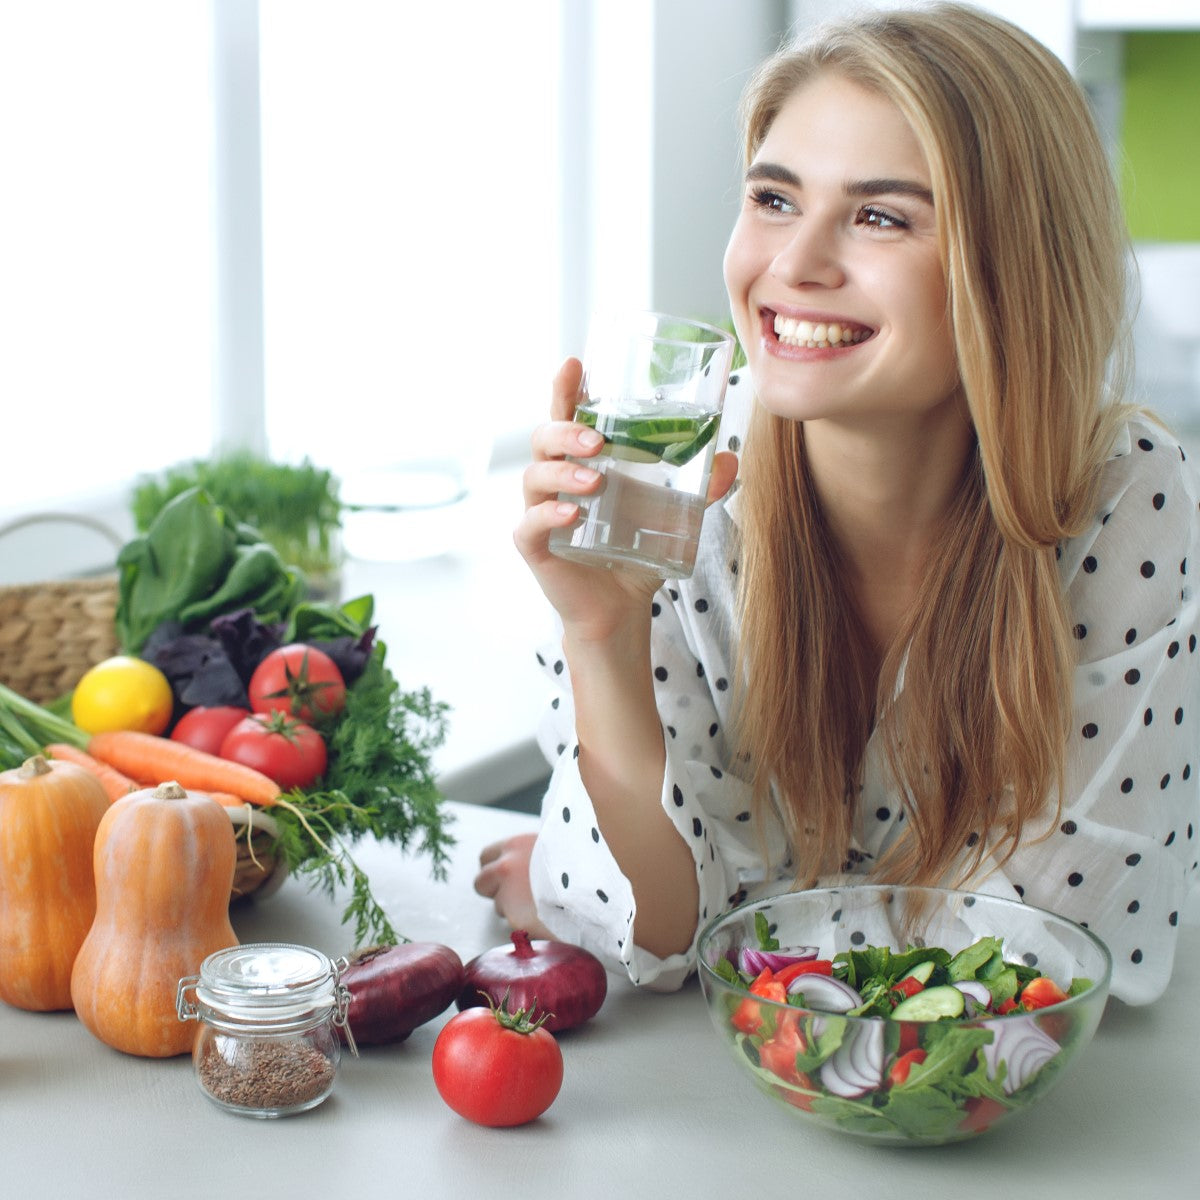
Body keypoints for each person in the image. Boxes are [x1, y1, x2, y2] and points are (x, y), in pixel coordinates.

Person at [475, 0, 1199, 1006]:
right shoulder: (683, 479)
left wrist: (748, 892)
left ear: (1012, 270)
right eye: (774, 199)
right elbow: (656, 932)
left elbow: (1049, 956)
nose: (794, 265)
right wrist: (601, 634)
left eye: (880, 216)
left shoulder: (1124, 493)